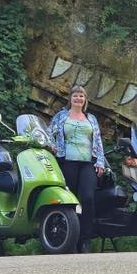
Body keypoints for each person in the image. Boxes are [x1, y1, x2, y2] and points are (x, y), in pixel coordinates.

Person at [48, 85, 106, 253]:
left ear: (85, 100)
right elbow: (47, 133)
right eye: (75, 96)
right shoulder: (61, 116)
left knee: (87, 198)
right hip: (67, 162)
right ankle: (68, 238)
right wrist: (52, 146)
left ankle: (85, 240)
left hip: (88, 163)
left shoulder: (91, 118)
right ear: (70, 99)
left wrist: (100, 162)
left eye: (81, 96)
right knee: (69, 200)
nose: (78, 99)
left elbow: (98, 141)